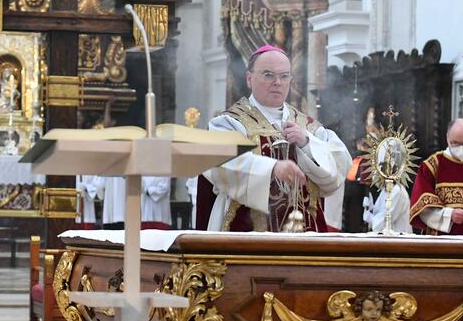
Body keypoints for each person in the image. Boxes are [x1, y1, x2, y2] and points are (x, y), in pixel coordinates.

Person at [200, 46, 350, 232]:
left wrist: (307, 143)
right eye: (268, 75)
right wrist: (272, 168)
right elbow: (220, 162)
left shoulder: (309, 127)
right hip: (246, 233)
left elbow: (338, 168)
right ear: (249, 78)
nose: (277, 82)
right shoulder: (229, 123)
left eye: (284, 76)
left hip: (305, 233)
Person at [101, 176, 172, 229]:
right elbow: (139, 184)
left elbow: (164, 187)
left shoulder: (164, 170)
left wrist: (147, 190)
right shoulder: (143, 170)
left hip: (159, 214)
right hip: (143, 214)